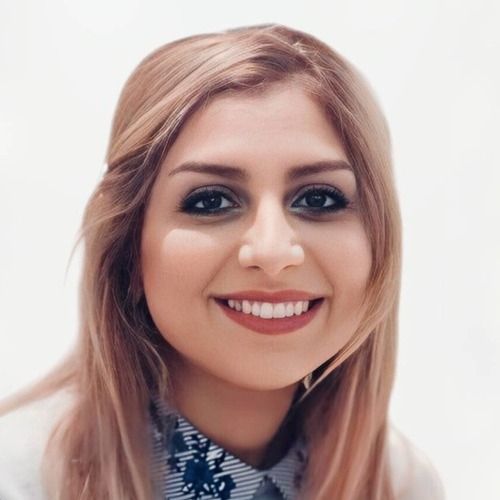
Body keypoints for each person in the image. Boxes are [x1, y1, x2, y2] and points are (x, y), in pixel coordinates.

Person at [0, 23, 445, 500]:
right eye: (211, 201)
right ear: (127, 248)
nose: (273, 252)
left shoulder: (402, 485)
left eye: (319, 198)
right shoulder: (21, 477)